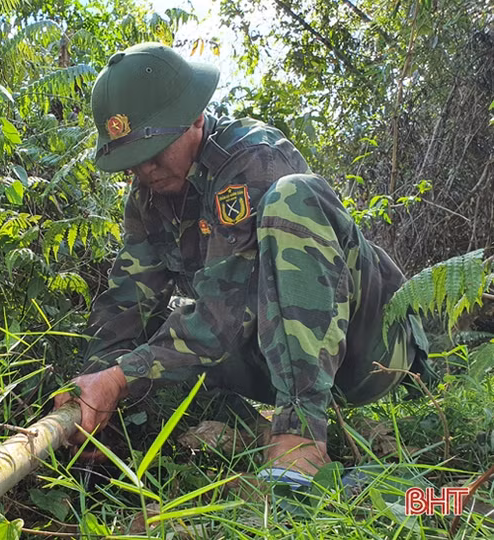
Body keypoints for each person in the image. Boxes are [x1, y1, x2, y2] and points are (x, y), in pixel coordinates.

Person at [53, 42, 429, 480]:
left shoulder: (252, 157)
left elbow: (224, 315)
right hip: (275, 358)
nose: (146, 170)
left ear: (195, 117)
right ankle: (249, 432)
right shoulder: (148, 200)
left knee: (294, 198)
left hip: (371, 349)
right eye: (131, 161)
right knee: (156, 340)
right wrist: (92, 391)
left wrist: (119, 378)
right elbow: (126, 304)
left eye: (154, 150)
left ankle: (301, 435)